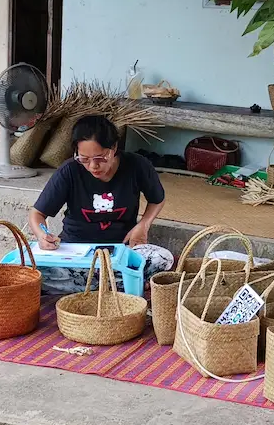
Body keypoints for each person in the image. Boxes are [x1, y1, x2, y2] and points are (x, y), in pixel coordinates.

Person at [30, 115, 173, 294]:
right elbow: (37, 214)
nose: (93, 166)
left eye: (100, 158)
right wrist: (42, 235)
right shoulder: (69, 171)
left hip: (120, 252)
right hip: (76, 253)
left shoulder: (137, 166)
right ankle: (119, 284)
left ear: (114, 148)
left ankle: (88, 285)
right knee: (35, 272)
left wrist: (143, 225)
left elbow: (157, 199)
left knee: (163, 259)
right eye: (84, 159)